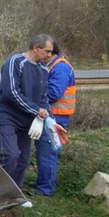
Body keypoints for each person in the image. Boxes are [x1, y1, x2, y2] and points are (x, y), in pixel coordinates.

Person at [0, 34, 53, 188]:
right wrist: (36, 110)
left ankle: (14, 192)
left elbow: (43, 96)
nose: (50, 55)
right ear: (36, 48)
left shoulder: (44, 69)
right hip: (7, 117)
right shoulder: (16, 61)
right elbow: (11, 91)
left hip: (27, 121)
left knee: (23, 160)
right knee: (11, 155)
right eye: (47, 51)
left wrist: (47, 114)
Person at [32, 39, 76, 196]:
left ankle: (45, 189)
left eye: (45, 53)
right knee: (43, 151)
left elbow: (53, 93)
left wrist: (32, 94)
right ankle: (44, 182)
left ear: (51, 53)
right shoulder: (53, 65)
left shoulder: (61, 68)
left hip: (55, 118)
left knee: (47, 153)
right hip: (50, 116)